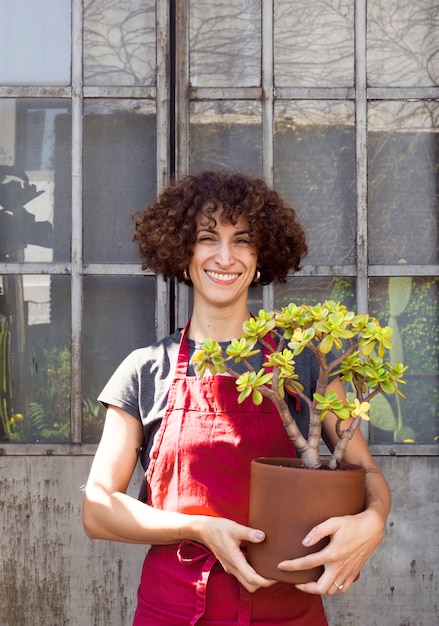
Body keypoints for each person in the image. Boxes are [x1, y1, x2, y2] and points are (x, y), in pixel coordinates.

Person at [82, 170, 391, 625]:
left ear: (261, 253)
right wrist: (198, 527)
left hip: (287, 607)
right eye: (207, 237)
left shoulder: (304, 361)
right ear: (182, 250)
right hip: (175, 608)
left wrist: (373, 522)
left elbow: (367, 474)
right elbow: (97, 508)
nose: (225, 257)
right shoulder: (145, 370)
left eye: (242, 240)